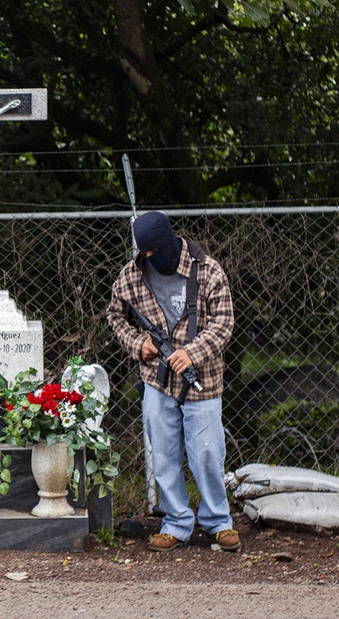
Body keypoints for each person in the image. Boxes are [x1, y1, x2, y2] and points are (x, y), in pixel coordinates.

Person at [105, 211, 239, 553]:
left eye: (154, 252)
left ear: (168, 243)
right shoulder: (132, 275)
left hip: (202, 379)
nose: (149, 259)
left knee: (208, 453)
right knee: (163, 454)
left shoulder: (207, 271)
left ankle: (217, 522)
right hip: (155, 380)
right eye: (144, 253)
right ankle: (177, 522)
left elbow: (224, 324)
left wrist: (192, 353)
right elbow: (115, 315)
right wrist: (140, 345)